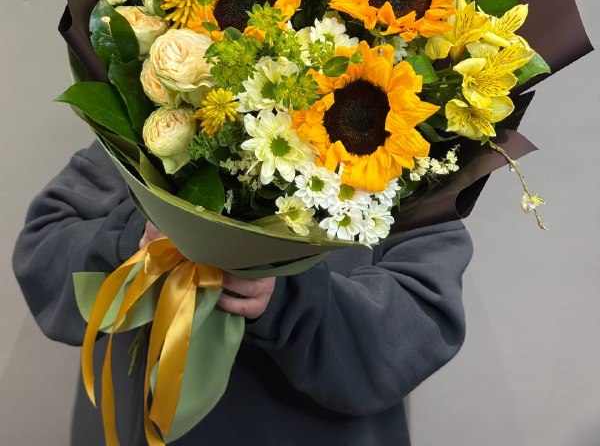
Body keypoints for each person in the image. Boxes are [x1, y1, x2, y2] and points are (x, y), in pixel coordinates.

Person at [13, 139, 473, 445]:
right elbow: (43, 254)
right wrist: (143, 240)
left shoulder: (410, 154)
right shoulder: (164, 118)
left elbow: (418, 324)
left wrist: (285, 297)